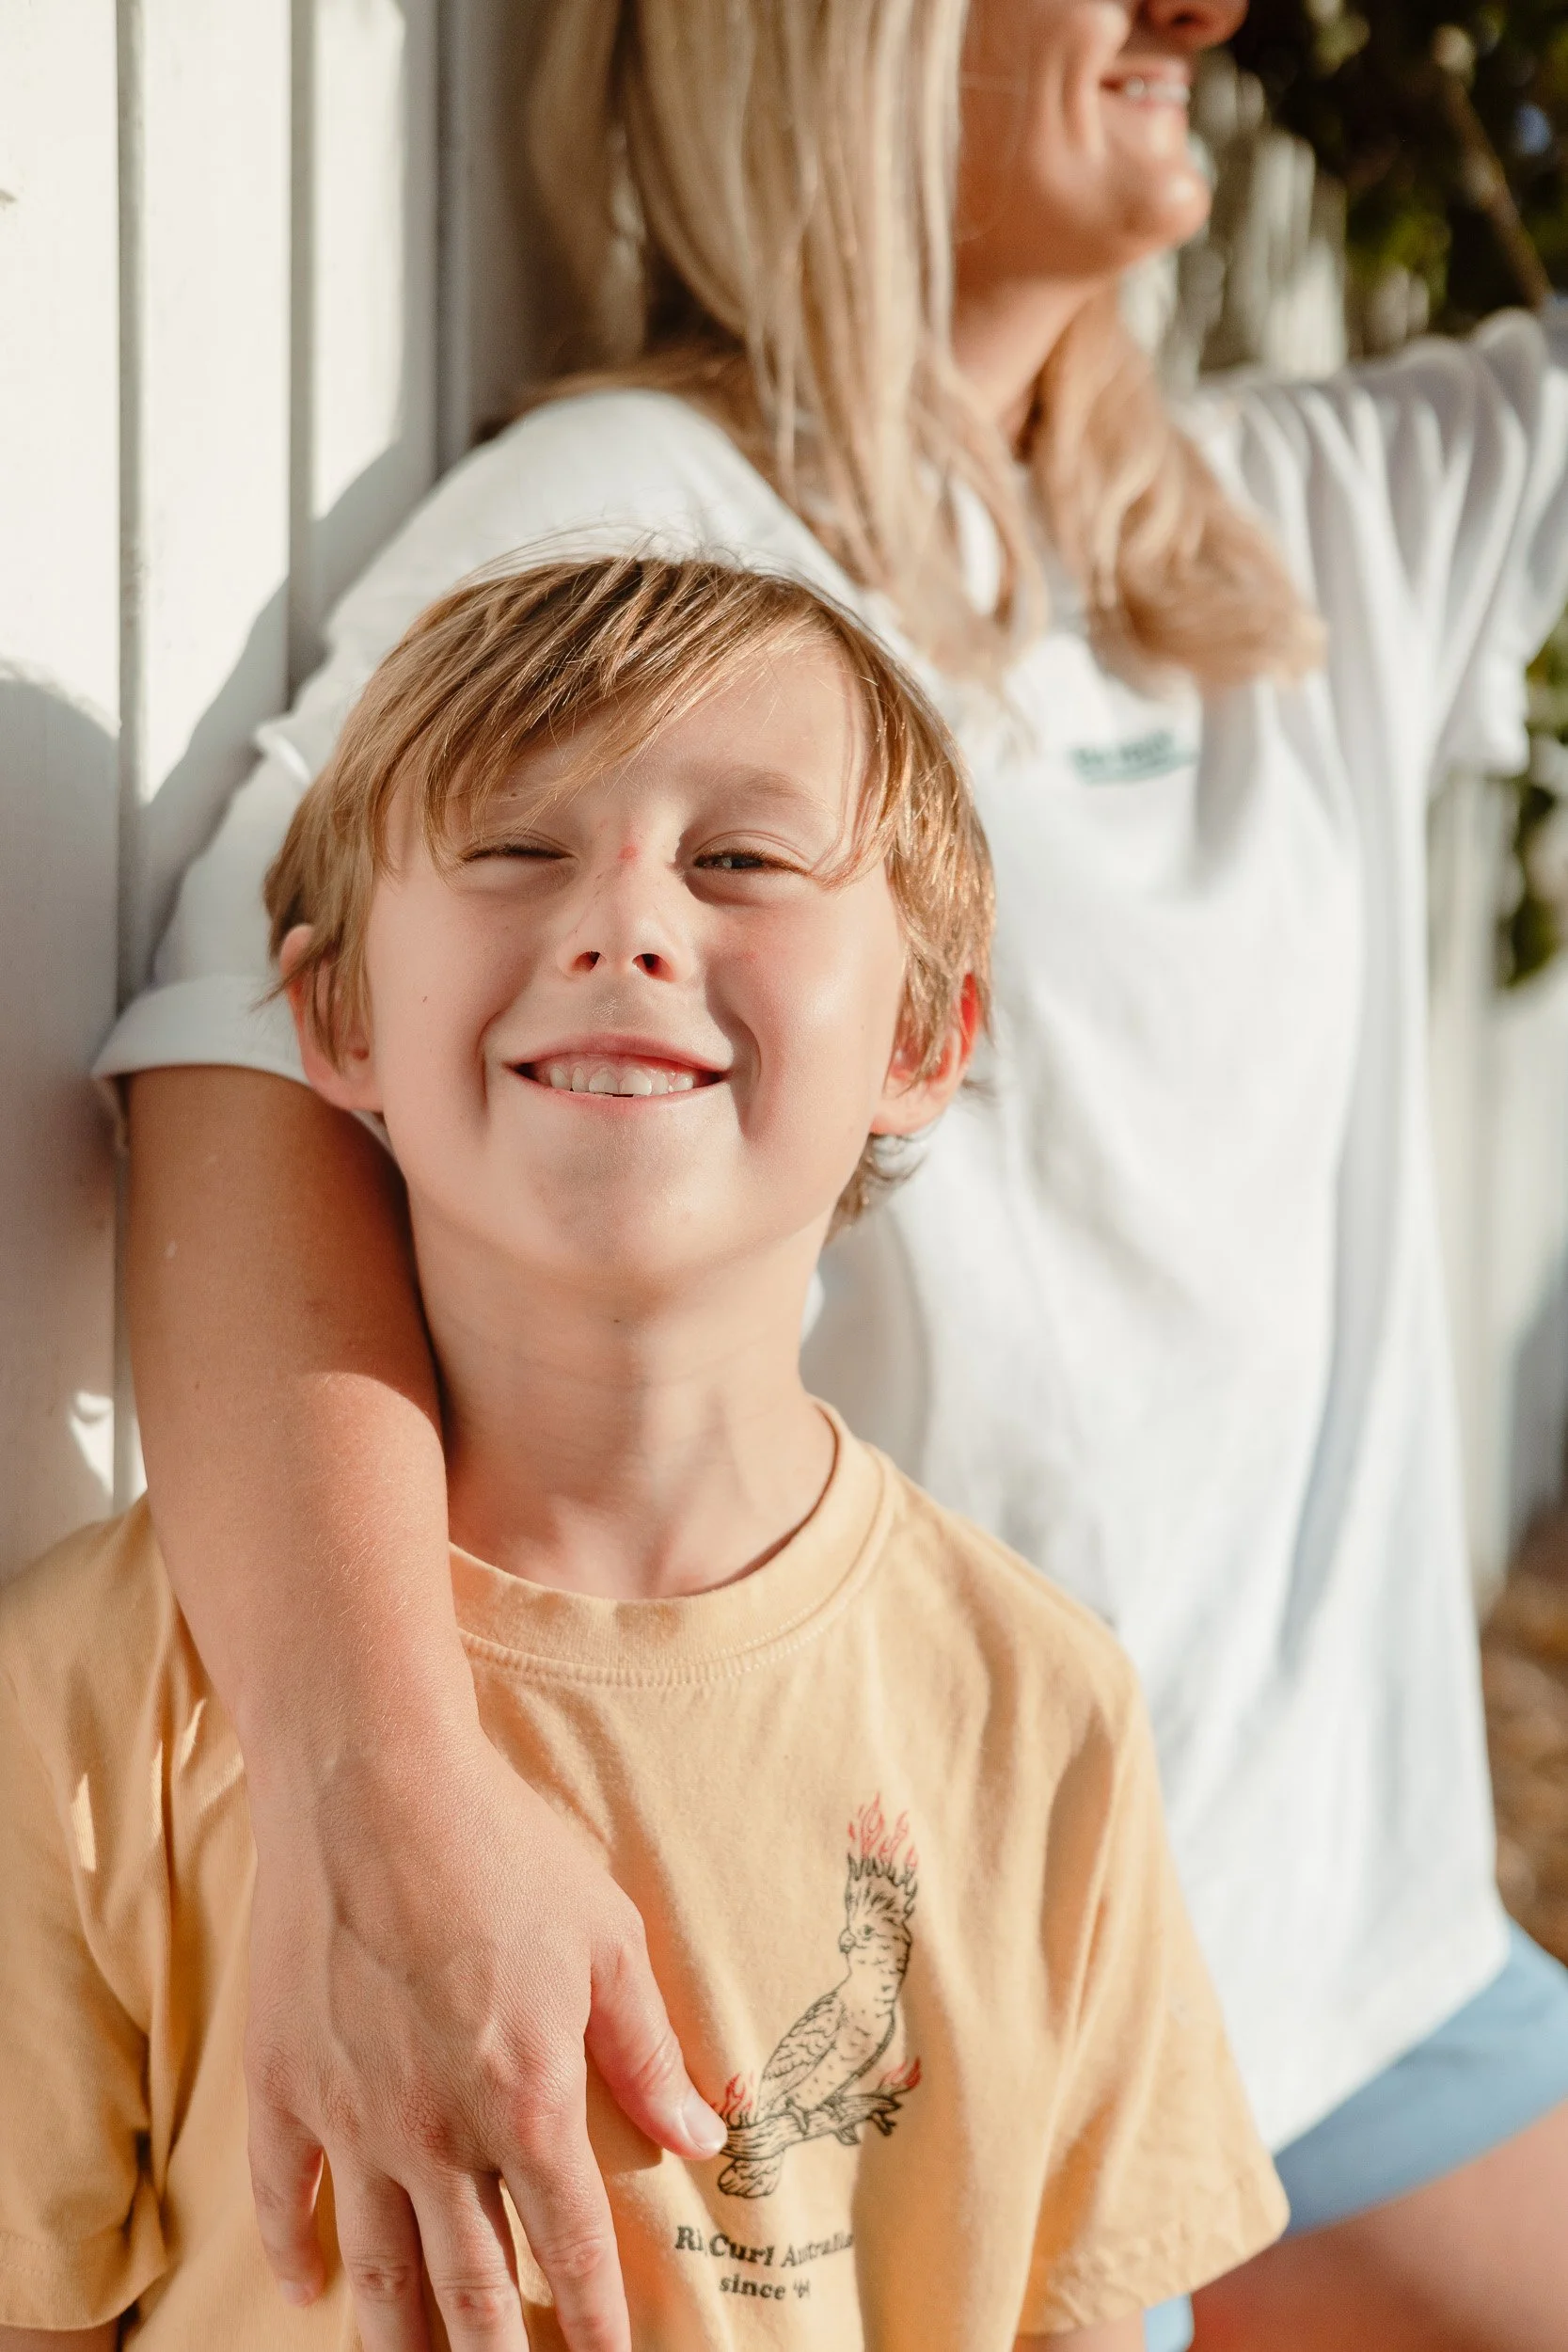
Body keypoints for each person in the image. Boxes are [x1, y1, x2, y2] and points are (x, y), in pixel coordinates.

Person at [89, 1, 1568, 2348]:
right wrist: (385, 1806)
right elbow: (238, 1055)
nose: (1199, 13)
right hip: (899, 1987)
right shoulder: (631, 556)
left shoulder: (1296, 530)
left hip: (1326, 1945)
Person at [0, 553, 1290, 2352]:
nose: (622, 923)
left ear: (925, 1039)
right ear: (336, 1018)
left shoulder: (1038, 1710)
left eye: (740, 861)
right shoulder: (94, 1694)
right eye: (517, 848)